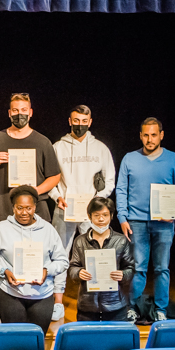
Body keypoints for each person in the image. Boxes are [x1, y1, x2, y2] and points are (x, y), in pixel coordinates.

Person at [115, 117, 175, 323]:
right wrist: (122, 217)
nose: (150, 139)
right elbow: (121, 190)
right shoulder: (129, 158)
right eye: (146, 135)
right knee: (138, 268)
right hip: (136, 222)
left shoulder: (174, 159)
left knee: (162, 268)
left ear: (161, 135)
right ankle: (132, 308)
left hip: (163, 224)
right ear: (140, 136)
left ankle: (160, 309)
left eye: (154, 135)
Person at [47, 105, 116, 321]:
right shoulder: (57, 147)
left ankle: (97, 301)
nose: (80, 125)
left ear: (90, 122)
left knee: (95, 254)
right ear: (70, 121)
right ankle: (57, 303)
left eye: (84, 121)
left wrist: (97, 200)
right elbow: (49, 178)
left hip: (91, 212)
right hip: (64, 208)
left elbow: (110, 180)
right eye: (76, 121)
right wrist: (56, 196)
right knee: (59, 254)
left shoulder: (100, 148)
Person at [0, 185, 69, 334]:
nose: (24, 212)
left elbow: (62, 261)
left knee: (37, 339)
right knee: (14, 339)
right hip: (10, 294)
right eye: (19, 208)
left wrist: (47, 271)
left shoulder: (48, 230)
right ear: (13, 208)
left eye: (28, 208)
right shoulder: (1, 229)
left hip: (42, 294)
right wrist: (3, 271)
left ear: (35, 207)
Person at [0, 93, 62, 222]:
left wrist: (36, 190)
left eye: (23, 110)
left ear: (30, 112)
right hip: (5, 208)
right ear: (9, 113)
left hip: (36, 210)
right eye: (15, 110)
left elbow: (55, 176)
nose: (19, 114)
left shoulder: (43, 142)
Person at [68, 196, 134, 322]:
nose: (101, 219)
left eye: (105, 215)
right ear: (89, 216)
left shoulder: (121, 240)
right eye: (96, 215)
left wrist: (123, 274)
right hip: (87, 306)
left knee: (117, 335)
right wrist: (78, 272)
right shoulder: (80, 241)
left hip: (115, 305)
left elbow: (130, 268)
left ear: (111, 216)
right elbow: (72, 268)